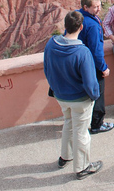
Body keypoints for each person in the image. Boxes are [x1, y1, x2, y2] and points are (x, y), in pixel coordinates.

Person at [44, 11, 102, 180]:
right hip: (80, 99)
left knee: (69, 124)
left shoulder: (51, 44)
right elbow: (90, 82)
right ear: (81, 27)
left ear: (65, 26)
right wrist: (94, 96)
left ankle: (65, 156)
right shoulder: (82, 52)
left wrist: (55, 88)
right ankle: (82, 167)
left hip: (61, 96)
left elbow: (47, 68)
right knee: (82, 132)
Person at [76, 0, 114, 134]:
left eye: (100, 6)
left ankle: (81, 122)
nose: (99, 9)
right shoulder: (92, 24)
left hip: (78, 63)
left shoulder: (76, 16)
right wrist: (103, 68)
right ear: (86, 7)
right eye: (95, 7)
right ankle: (97, 124)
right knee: (97, 94)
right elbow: (96, 50)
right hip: (92, 65)